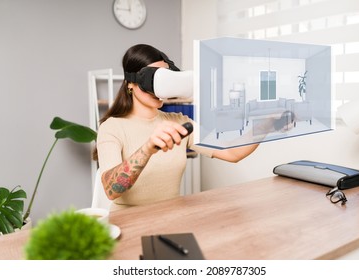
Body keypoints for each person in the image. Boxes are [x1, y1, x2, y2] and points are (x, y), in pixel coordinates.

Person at [94, 44, 260, 211]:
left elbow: (231, 152)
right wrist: (147, 149)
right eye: (153, 79)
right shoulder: (112, 127)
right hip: (129, 222)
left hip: (171, 217)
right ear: (130, 83)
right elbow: (111, 189)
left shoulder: (178, 122)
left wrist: (266, 126)